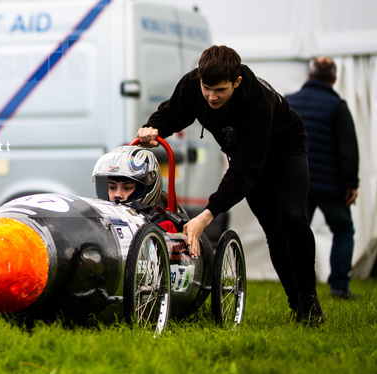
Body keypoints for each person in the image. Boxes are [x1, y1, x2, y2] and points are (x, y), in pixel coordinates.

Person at [136, 45, 322, 325]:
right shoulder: (192, 86)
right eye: (206, 88)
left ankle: (309, 297)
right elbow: (172, 114)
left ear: (236, 82)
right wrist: (152, 127)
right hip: (247, 157)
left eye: (220, 90)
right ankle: (296, 303)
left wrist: (206, 216)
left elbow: (244, 171)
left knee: (293, 218)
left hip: (286, 150)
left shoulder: (257, 101)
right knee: (273, 230)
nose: (211, 96)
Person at [285, 57, 360, 300]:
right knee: (343, 229)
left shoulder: (289, 102)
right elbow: (348, 149)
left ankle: (299, 287)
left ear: (309, 75)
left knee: (297, 235)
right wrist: (352, 184)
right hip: (331, 186)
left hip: (298, 184)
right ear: (334, 79)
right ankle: (339, 287)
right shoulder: (337, 106)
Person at [91, 146, 177, 233]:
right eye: (112, 187)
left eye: (127, 188)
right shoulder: (97, 221)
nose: (117, 194)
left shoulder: (163, 226)